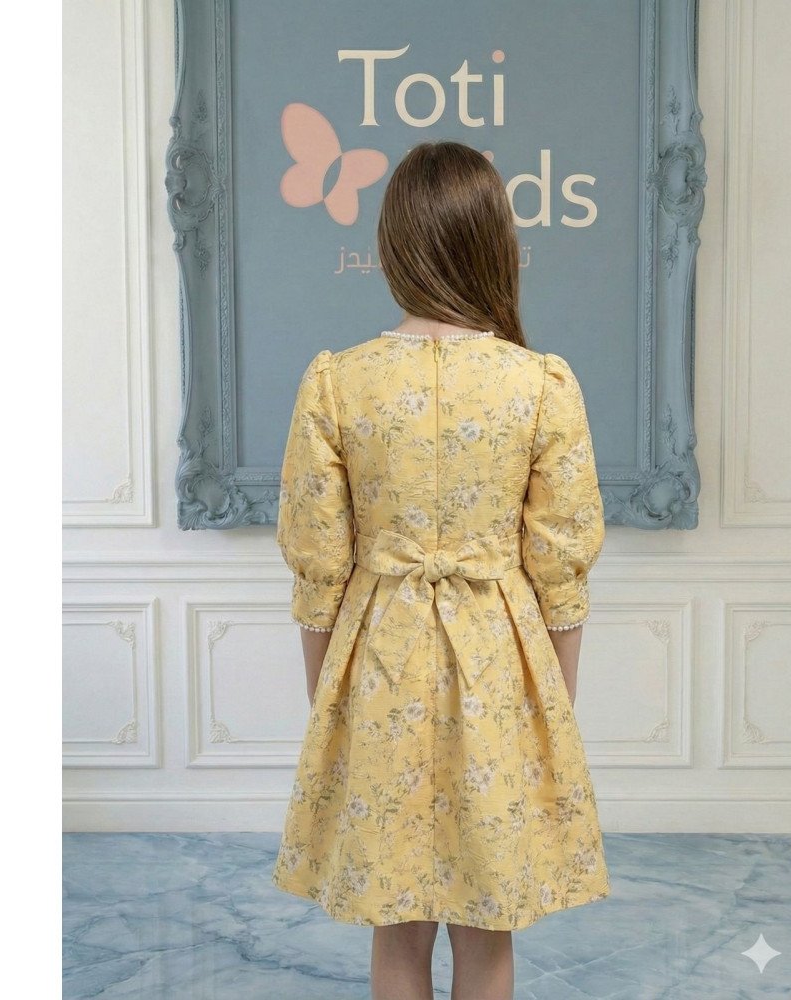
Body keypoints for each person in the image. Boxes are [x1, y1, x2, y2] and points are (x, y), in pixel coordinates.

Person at [271, 139, 609, 1000]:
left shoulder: (339, 382)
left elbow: (318, 572)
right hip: (503, 674)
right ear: (495, 243)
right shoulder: (539, 384)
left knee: (397, 934)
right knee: (489, 937)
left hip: (377, 671)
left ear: (394, 245)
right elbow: (562, 576)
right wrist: (554, 710)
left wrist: (328, 700)